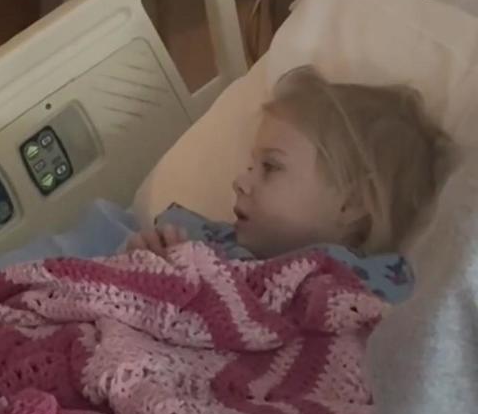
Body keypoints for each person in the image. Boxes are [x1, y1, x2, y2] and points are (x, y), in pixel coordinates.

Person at [126, 65, 454, 303]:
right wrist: (149, 264)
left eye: (270, 167)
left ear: (350, 204)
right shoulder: (204, 243)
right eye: (251, 166)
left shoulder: (364, 290)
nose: (240, 182)